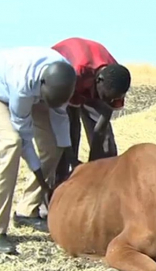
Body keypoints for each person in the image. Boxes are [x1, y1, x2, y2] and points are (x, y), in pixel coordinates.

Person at [0, 46, 81, 254]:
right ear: (42, 85)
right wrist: (40, 177)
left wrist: (70, 154)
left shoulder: (63, 78)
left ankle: (27, 210)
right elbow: (25, 137)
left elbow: (60, 118)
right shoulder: (22, 85)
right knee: (12, 142)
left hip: (30, 90)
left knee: (53, 145)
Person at [51, 37, 131, 185]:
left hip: (92, 79)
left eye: (113, 99)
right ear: (99, 81)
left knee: (106, 144)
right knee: (69, 132)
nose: (109, 100)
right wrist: (72, 160)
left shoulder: (116, 81)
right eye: (106, 97)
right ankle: (59, 185)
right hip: (65, 78)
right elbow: (65, 124)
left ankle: (104, 182)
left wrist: (93, 167)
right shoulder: (77, 72)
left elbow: (100, 128)